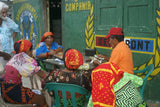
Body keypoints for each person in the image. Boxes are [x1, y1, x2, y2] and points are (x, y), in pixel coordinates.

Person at [0, 39, 48, 107]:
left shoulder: (15, 58)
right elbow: (42, 74)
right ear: (28, 51)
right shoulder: (23, 59)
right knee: (41, 99)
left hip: (5, 92)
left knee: (36, 98)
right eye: (31, 50)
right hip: (13, 92)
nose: (32, 52)